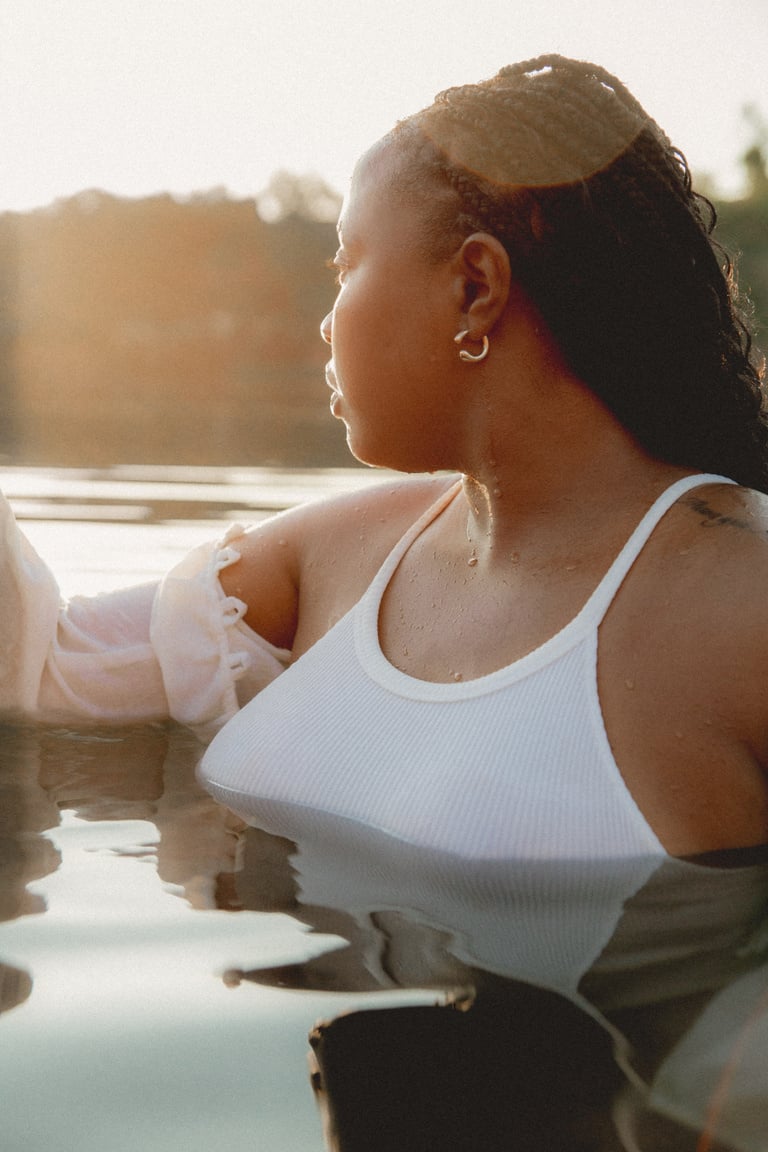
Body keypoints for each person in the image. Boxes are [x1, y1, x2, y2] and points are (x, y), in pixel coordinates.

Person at [2, 53, 768, 863]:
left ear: (474, 286)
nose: (328, 322)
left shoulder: (742, 606)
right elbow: (46, 667)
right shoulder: (327, 557)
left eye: (345, 264)